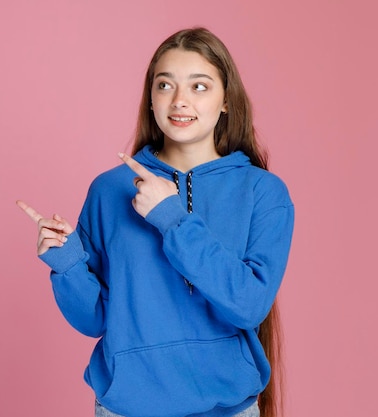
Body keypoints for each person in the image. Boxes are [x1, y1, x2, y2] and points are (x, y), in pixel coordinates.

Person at [17, 27, 294, 417]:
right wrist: (67, 263)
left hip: (228, 408)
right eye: (165, 85)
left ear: (227, 100)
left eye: (199, 86)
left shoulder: (263, 192)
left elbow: (248, 305)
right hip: (125, 408)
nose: (180, 101)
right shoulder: (109, 189)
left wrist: (172, 219)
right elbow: (95, 319)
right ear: (151, 98)